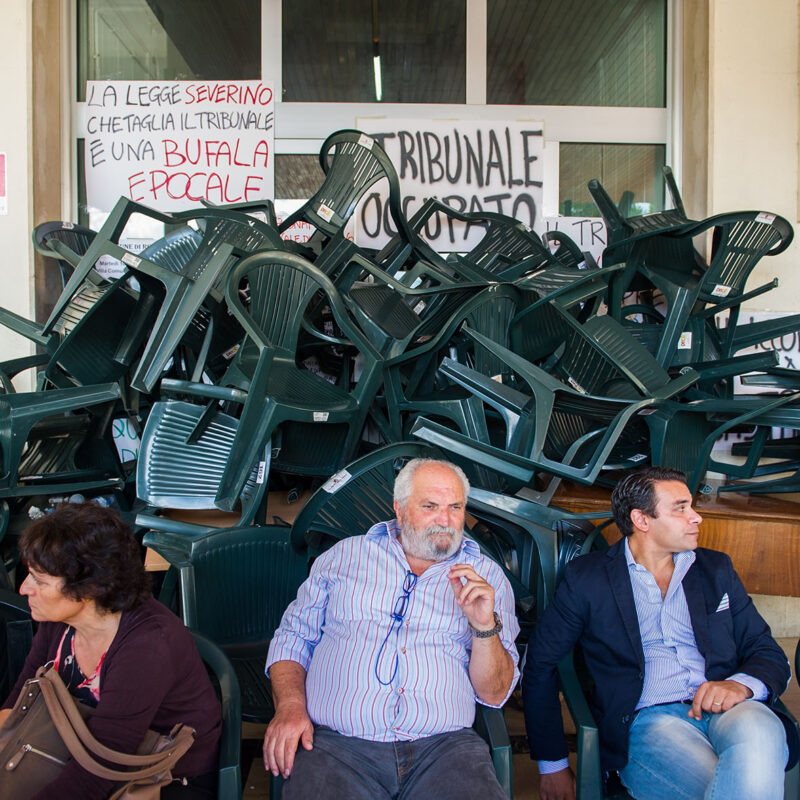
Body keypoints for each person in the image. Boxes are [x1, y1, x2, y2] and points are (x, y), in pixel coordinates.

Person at [522, 466, 794, 800]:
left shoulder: (714, 569)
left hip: (731, 709)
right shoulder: (588, 579)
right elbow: (540, 664)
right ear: (642, 520)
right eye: (681, 508)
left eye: (691, 506)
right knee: (739, 784)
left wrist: (740, 685)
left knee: (761, 736)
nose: (696, 518)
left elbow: (766, 650)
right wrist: (553, 765)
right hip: (649, 720)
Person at [263, 457, 520, 799]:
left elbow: (495, 693)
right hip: (338, 747)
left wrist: (484, 627)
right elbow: (293, 639)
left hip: (445, 751)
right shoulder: (344, 558)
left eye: (455, 507)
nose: (445, 520)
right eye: (430, 506)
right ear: (399, 510)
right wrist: (290, 706)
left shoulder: (487, 578)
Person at [0, 502, 222, 800]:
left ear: (89, 588)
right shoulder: (60, 619)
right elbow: (19, 705)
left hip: (158, 777)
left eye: (39, 580)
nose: (24, 588)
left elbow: (100, 772)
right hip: (77, 749)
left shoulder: (147, 647)